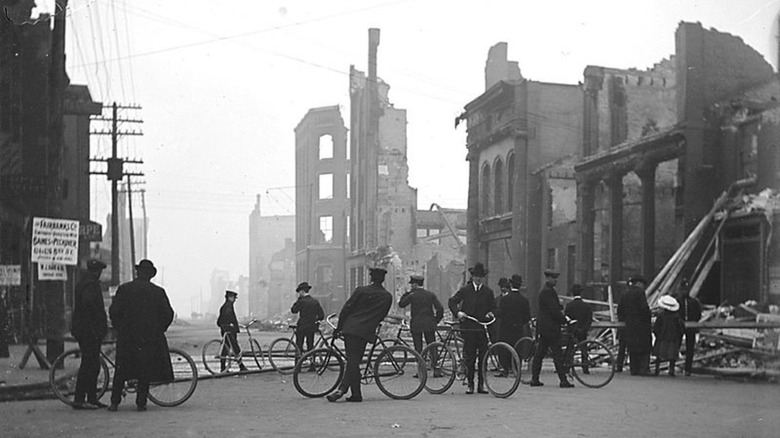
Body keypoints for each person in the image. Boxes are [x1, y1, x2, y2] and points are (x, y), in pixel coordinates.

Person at [108, 259, 175, 412]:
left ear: (137, 273)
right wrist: (159, 329)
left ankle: (114, 403)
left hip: (127, 337)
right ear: (150, 275)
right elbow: (168, 314)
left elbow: (114, 312)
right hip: (148, 338)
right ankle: (141, 403)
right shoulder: (158, 292)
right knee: (144, 369)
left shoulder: (124, 289)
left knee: (121, 369)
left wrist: (120, 328)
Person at [326, 267, 393, 403]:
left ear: (371, 278)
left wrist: (339, 327)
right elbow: (382, 315)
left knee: (352, 361)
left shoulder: (361, 291)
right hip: (366, 331)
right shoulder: (387, 296)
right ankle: (356, 395)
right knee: (354, 361)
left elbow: (347, 308)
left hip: (351, 329)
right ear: (383, 280)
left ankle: (342, 390)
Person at [448, 262, 495, 394]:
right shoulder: (465, 290)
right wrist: (458, 313)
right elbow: (452, 301)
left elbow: (494, 307)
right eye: (476, 276)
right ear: (472, 277)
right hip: (468, 329)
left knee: (483, 358)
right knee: (470, 357)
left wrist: (491, 313)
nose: (478, 279)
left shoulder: (488, 292)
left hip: (482, 328)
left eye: (480, 276)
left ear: (483, 278)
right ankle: (470, 384)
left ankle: (481, 385)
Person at [70, 259, 109, 410]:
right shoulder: (90, 285)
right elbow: (89, 307)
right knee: (88, 364)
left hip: (86, 330)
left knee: (93, 364)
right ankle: (80, 399)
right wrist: (96, 327)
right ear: (97, 271)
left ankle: (92, 398)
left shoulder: (84, 282)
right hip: (89, 331)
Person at [530, 269, 574, 388]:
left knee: (540, 354)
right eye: (554, 278)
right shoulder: (547, 292)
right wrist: (565, 319)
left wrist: (559, 306)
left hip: (545, 328)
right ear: (548, 278)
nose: (556, 280)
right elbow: (553, 310)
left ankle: (535, 378)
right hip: (551, 328)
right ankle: (563, 380)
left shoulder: (547, 291)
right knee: (557, 354)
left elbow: (553, 306)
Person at [493, 275, 530, 377]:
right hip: (518, 328)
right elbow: (527, 317)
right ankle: (516, 369)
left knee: (504, 348)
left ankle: (505, 369)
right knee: (517, 348)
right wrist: (519, 323)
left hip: (505, 328)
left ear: (511, 284)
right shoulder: (524, 300)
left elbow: (500, 313)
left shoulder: (505, 299)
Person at [398, 274, 444, 355]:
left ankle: (421, 364)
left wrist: (407, 293)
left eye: (412, 284)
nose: (411, 286)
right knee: (432, 346)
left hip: (416, 324)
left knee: (418, 348)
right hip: (429, 323)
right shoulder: (430, 294)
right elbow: (440, 308)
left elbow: (401, 304)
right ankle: (435, 364)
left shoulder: (412, 295)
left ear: (415, 284)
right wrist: (435, 320)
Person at [617, 275, 652, 376]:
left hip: (629, 325)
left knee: (632, 348)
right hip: (641, 325)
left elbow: (620, 310)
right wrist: (648, 317)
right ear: (639, 283)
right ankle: (643, 369)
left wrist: (624, 320)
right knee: (644, 347)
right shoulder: (640, 293)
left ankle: (634, 369)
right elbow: (644, 308)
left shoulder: (626, 294)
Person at [653, 295, 685, 377]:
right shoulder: (677, 317)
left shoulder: (661, 316)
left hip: (662, 337)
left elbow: (657, 326)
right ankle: (671, 370)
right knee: (672, 355)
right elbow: (681, 328)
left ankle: (657, 369)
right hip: (673, 338)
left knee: (659, 355)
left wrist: (657, 334)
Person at [564, 284, 593, 374]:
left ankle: (567, 367)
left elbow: (567, 318)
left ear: (572, 293)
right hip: (583, 330)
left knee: (570, 349)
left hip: (573, 330)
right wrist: (584, 329)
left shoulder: (569, 305)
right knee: (584, 348)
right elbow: (589, 319)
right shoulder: (586, 306)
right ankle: (585, 367)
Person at [676, 278, 701, 376]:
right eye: (683, 289)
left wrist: (693, 322)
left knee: (690, 348)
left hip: (691, 326)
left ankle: (688, 369)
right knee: (676, 346)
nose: (684, 291)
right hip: (679, 326)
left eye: (686, 289)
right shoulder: (677, 302)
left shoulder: (694, 302)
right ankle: (672, 366)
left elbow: (698, 314)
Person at [217, 290, 247, 372]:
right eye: (233, 298)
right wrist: (231, 326)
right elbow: (229, 319)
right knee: (236, 348)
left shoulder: (226, 306)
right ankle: (241, 366)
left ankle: (223, 367)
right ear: (230, 298)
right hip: (229, 331)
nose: (234, 300)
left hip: (227, 330)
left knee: (226, 348)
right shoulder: (228, 307)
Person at [291, 282, 325, 354]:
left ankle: (298, 362)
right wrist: (316, 320)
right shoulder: (315, 301)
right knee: (310, 345)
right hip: (312, 327)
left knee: (299, 345)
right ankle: (312, 362)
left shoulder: (301, 301)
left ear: (302, 291)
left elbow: (293, 310)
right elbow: (321, 315)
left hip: (302, 327)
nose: (299, 294)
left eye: (299, 292)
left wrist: (298, 300)